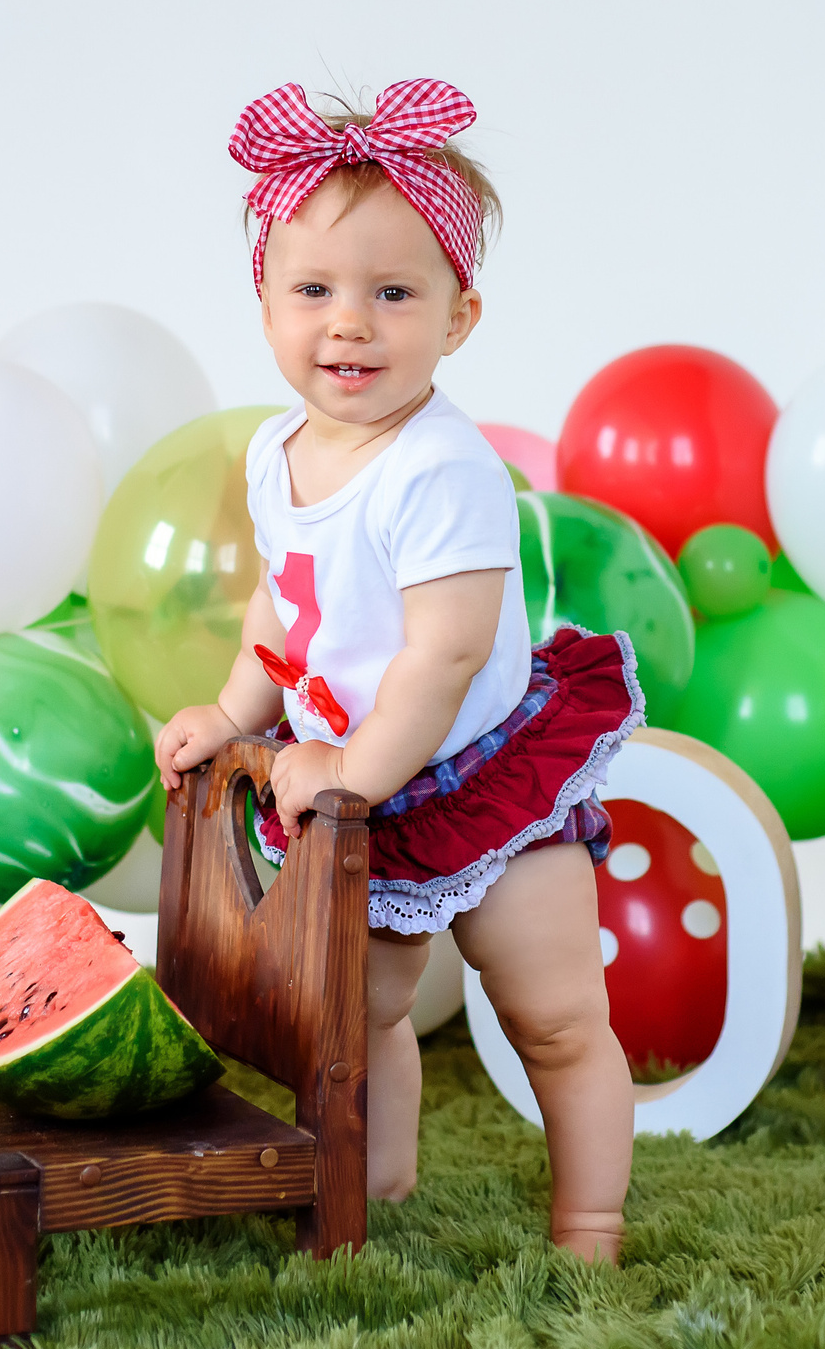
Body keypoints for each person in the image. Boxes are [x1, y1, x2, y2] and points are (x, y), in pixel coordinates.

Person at [155, 80, 640, 1264]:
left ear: (457, 315)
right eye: (313, 290)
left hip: (478, 775)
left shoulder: (440, 468)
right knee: (360, 1011)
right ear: (264, 304)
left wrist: (347, 774)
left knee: (554, 1013)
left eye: (392, 293)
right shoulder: (278, 451)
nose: (349, 325)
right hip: (359, 786)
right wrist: (233, 711)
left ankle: (589, 1218)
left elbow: (446, 652)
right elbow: (290, 599)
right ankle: (379, 1178)